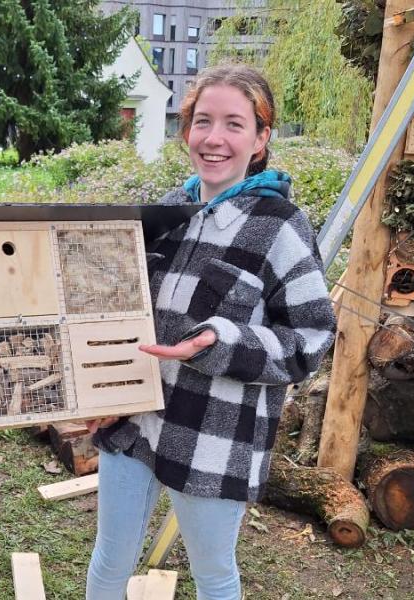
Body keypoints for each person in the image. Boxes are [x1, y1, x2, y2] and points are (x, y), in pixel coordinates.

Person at [85, 64, 337, 600]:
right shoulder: (167, 213)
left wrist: (221, 343)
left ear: (261, 138)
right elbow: (119, 310)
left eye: (234, 124)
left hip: (214, 435)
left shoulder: (280, 226)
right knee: (110, 559)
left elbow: (311, 339)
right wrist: (98, 389)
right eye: (202, 121)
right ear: (187, 130)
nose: (214, 138)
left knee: (213, 574)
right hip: (133, 419)